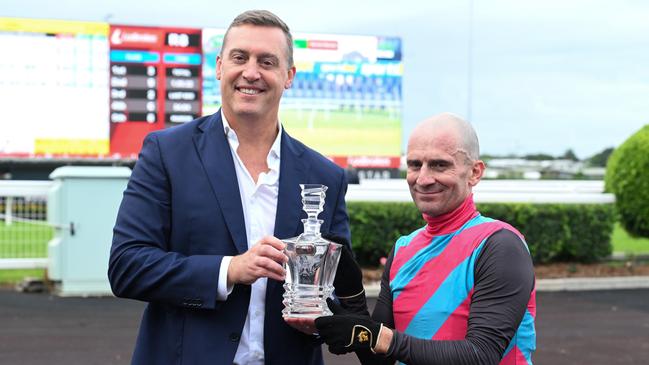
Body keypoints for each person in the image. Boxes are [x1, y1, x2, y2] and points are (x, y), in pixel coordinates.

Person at [108, 10, 357, 365]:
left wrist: (319, 320)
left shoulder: (325, 176)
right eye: (240, 58)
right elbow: (127, 266)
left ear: (288, 77)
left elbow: (338, 292)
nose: (251, 72)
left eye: (267, 62)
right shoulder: (167, 153)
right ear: (220, 66)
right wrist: (229, 270)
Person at [315, 113, 537, 364]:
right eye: (414, 164)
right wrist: (352, 295)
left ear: (475, 172)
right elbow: (380, 359)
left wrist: (376, 336)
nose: (423, 178)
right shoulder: (403, 249)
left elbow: (480, 355)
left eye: (439, 165)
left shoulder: (499, 244)